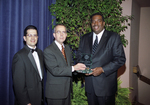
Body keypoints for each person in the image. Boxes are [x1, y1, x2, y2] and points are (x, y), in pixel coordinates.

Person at [76, 13, 126, 105]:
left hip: (106, 86)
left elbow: (120, 59)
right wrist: (83, 68)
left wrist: (103, 69)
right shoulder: (84, 38)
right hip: (90, 86)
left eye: (98, 21)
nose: (96, 23)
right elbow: (79, 56)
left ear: (103, 23)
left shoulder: (113, 37)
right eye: (93, 21)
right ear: (91, 24)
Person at [43, 24, 86, 105]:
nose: (61, 34)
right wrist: (74, 68)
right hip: (55, 93)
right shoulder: (48, 51)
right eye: (58, 32)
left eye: (64, 32)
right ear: (54, 35)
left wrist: (80, 70)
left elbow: (70, 66)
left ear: (66, 35)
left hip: (67, 91)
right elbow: (55, 70)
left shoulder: (67, 48)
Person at [12, 25, 44, 105]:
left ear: (38, 37)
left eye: (35, 35)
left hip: (39, 99)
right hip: (28, 101)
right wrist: (26, 102)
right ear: (24, 38)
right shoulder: (19, 56)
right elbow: (18, 84)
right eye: (29, 35)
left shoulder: (40, 53)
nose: (33, 38)